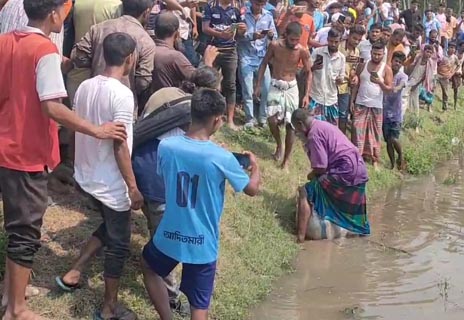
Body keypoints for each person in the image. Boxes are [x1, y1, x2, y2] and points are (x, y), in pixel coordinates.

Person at [0, 0, 127, 317]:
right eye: (65, 9)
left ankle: (9, 294)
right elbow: (52, 107)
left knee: (14, 226)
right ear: (54, 13)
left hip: (5, 144)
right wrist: (95, 130)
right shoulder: (43, 51)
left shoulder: (5, 42)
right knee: (25, 231)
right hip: (25, 152)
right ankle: (16, 309)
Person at [141, 88, 261, 320]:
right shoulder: (222, 158)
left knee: (149, 266)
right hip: (202, 242)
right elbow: (252, 190)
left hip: (170, 234)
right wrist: (255, 166)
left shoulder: (166, 147)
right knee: (199, 305)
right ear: (217, 120)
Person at [55, 33, 141, 320]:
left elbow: (77, 130)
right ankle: (108, 308)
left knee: (110, 226)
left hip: (87, 176)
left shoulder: (84, 87)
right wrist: (133, 187)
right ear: (130, 59)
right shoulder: (122, 94)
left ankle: (74, 270)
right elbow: (120, 145)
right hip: (110, 182)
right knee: (119, 243)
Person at [291, 109, 370, 242]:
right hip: (359, 167)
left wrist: (311, 175)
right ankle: (360, 230)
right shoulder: (322, 124)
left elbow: (321, 167)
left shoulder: (313, 135)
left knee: (305, 191)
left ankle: (300, 237)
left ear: (300, 124)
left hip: (345, 170)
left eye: (297, 130)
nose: (298, 133)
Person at [71, 0, 156, 112]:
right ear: (147, 12)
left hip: (94, 97)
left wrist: (96, 62)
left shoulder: (98, 28)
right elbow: (142, 82)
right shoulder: (146, 41)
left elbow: (78, 57)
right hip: (124, 105)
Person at [255, 22, 312, 169]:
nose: (294, 43)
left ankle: (286, 160)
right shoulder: (275, 46)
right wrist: (258, 85)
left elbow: (309, 72)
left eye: (297, 40)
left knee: (291, 125)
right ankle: (279, 145)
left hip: (291, 87)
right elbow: (263, 63)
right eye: (292, 39)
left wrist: (306, 95)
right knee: (271, 120)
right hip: (275, 84)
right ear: (285, 35)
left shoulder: (302, 50)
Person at [202, 0, 247, 129]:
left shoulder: (238, 7)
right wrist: (220, 34)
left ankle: (230, 120)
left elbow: (241, 32)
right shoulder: (210, 5)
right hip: (213, 49)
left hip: (230, 50)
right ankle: (207, 116)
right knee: (208, 81)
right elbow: (205, 28)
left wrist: (242, 30)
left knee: (230, 85)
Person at [351, 41, 393, 169]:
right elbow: (356, 84)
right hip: (360, 103)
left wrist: (380, 82)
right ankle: (357, 158)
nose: (376, 56)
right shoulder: (362, 66)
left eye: (379, 54)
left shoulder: (386, 69)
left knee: (374, 133)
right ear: (371, 53)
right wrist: (352, 101)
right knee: (357, 130)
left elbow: (389, 90)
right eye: (374, 54)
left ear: (383, 54)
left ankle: (374, 160)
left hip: (376, 105)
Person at [238, 0, 277, 128]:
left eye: (261, 4)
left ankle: (263, 118)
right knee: (248, 89)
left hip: (262, 57)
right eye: (257, 4)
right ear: (252, 2)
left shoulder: (268, 16)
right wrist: (252, 36)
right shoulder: (242, 15)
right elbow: (237, 36)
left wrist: (270, 35)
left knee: (266, 88)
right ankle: (250, 118)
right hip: (246, 56)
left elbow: (275, 37)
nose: (259, 7)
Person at [151, 12, 197, 92]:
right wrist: (208, 62)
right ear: (176, 34)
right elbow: (200, 79)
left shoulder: (148, 51)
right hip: (170, 101)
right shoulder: (175, 56)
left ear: (155, 32)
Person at [309, 28, 346, 125]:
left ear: (340, 41)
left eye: (336, 42)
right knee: (315, 128)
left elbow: (341, 78)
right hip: (316, 97)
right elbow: (307, 71)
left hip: (331, 99)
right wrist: (313, 68)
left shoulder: (341, 58)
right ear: (327, 40)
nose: (333, 44)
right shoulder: (317, 52)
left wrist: (339, 81)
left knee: (332, 130)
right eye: (331, 41)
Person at [337, 25, 364, 134]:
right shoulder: (338, 46)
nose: (356, 41)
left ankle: (341, 138)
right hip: (334, 84)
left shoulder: (357, 51)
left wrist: (354, 77)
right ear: (348, 36)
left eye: (359, 39)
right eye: (354, 38)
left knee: (343, 114)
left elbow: (353, 68)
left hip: (346, 87)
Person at [383, 52, 407, 170]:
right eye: (395, 61)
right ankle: (392, 165)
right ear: (391, 61)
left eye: (399, 62)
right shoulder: (385, 72)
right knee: (388, 140)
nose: (397, 63)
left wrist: (396, 88)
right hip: (384, 113)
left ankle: (401, 156)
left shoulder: (402, 76)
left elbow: (402, 85)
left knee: (394, 138)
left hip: (396, 113)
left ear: (401, 64)